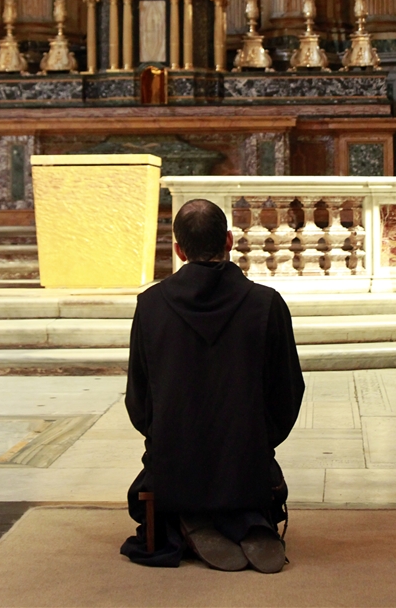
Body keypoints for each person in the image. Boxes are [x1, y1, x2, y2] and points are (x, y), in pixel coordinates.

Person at [121, 198, 304, 572]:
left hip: (175, 457)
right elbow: (288, 392)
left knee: (166, 466)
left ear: (178, 249)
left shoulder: (151, 304)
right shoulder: (265, 304)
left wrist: (165, 436)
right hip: (246, 456)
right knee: (243, 459)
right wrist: (257, 438)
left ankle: (189, 519)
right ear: (229, 240)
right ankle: (246, 520)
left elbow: (138, 398)